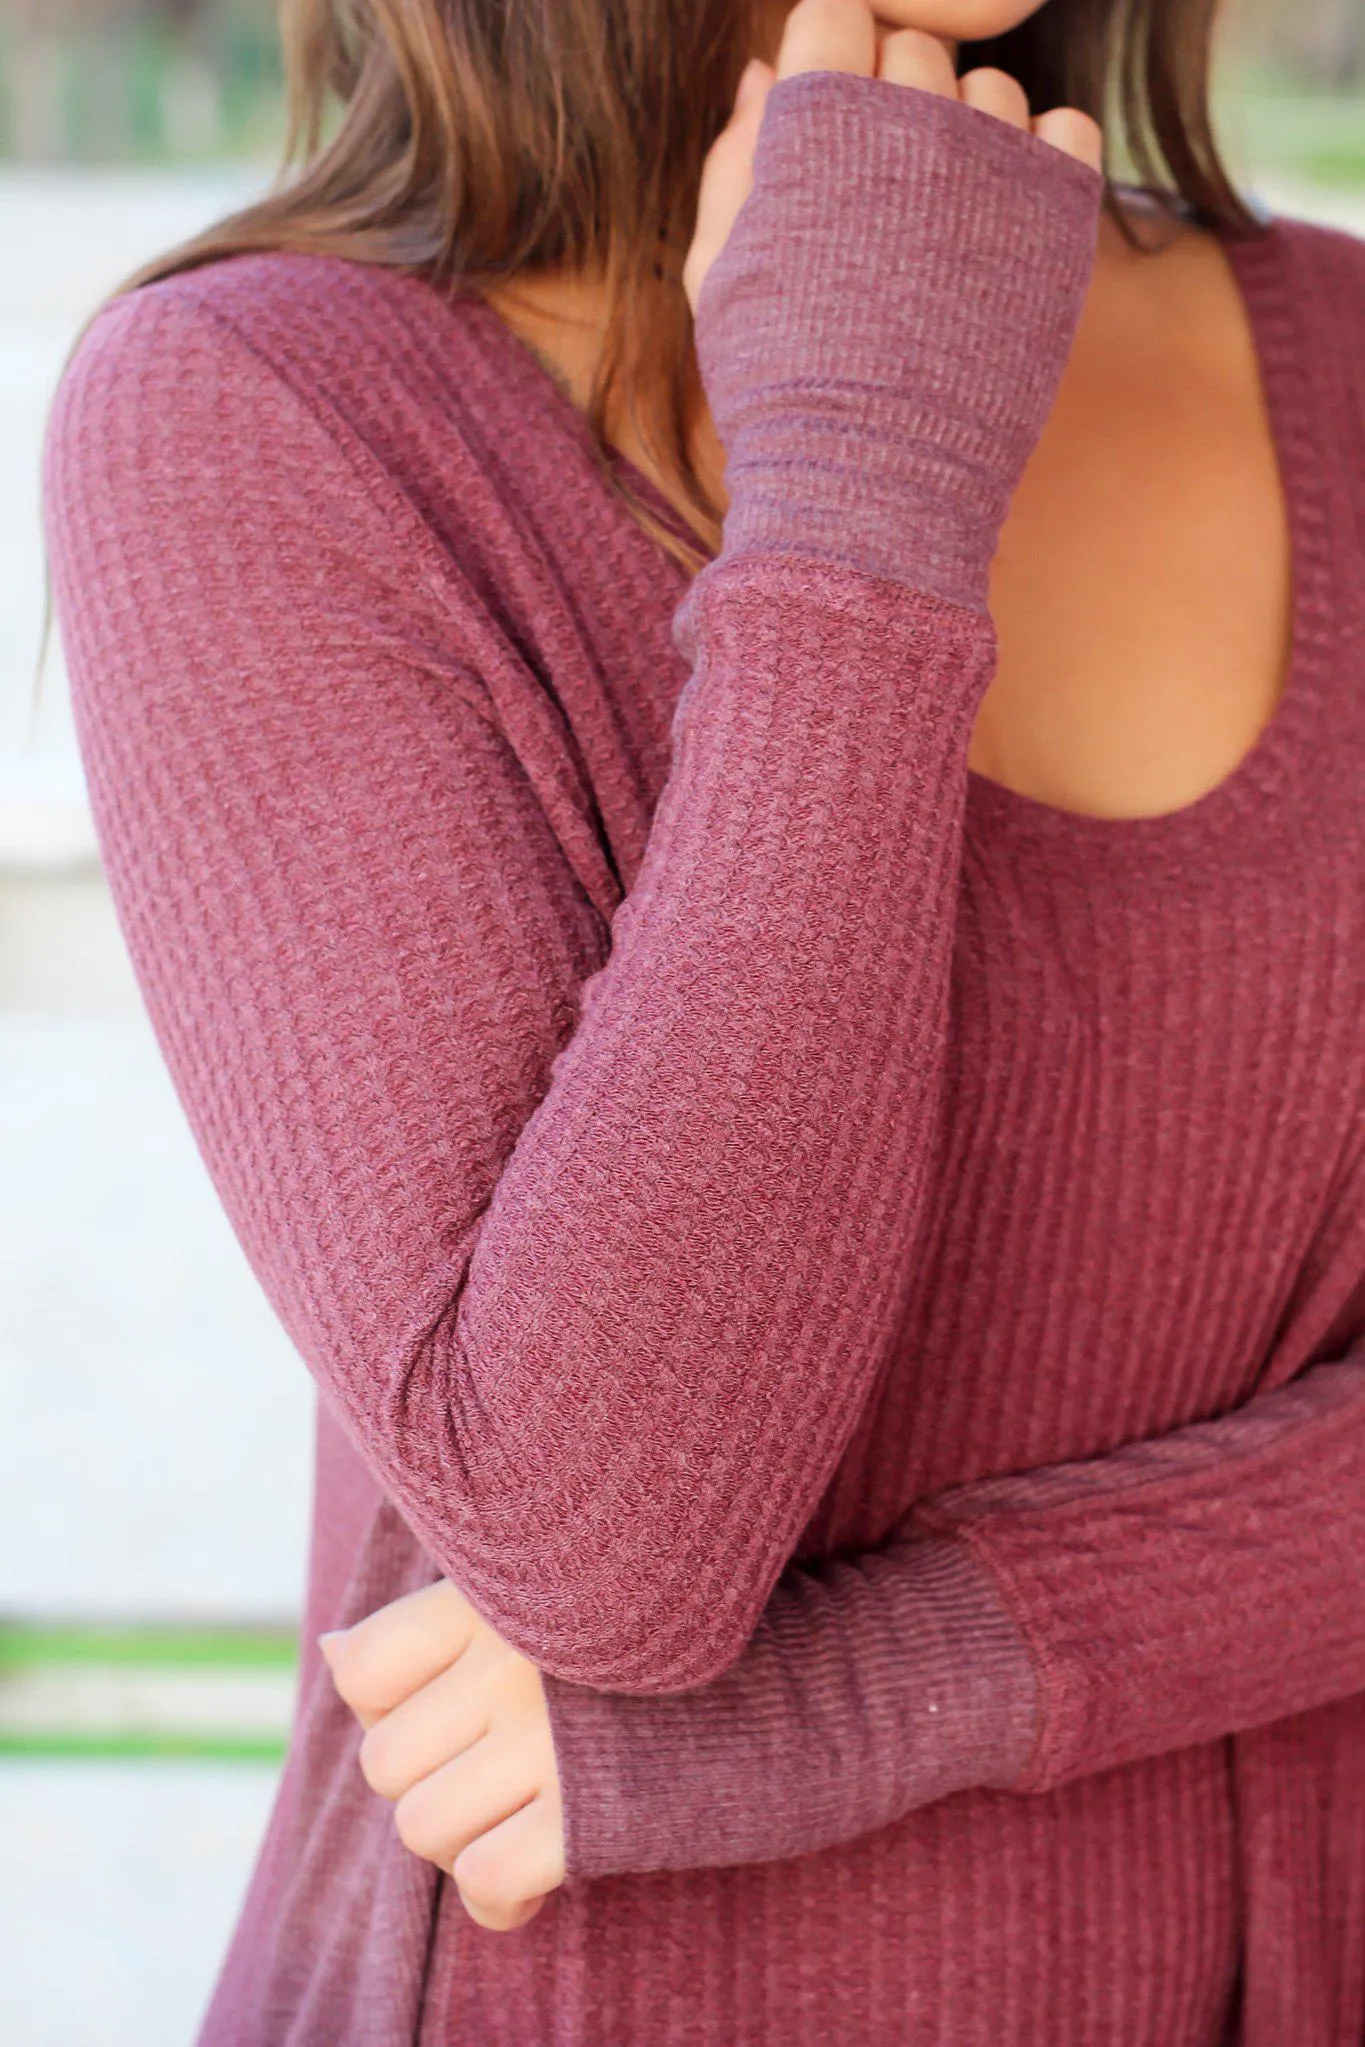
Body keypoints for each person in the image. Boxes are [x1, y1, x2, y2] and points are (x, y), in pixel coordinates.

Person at [40, 0, 1365, 2038]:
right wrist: (865, 488)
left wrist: (918, 1671)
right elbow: (600, 1539)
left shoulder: (1347, 370)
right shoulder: (259, 414)